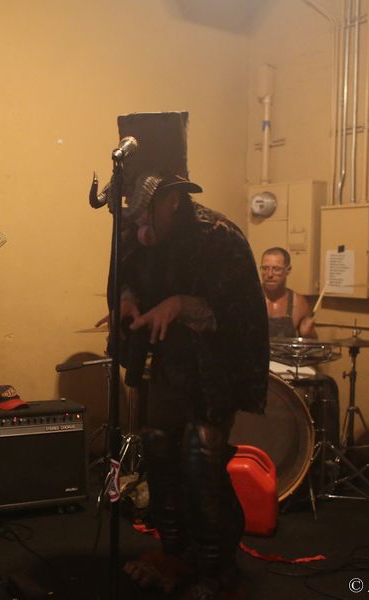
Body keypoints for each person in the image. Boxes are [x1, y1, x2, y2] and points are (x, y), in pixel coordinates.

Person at [98, 112, 269, 599]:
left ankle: (215, 568)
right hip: (167, 367)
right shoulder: (136, 234)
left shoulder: (219, 237)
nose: (138, 226)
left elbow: (237, 317)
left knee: (200, 459)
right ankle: (174, 554)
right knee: (158, 454)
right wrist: (127, 298)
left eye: (145, 214)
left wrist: (179, 305)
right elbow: (126, 277)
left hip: (213, 371)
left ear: (172, 200)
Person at [260, 246, 316, 339]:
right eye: (265, 268)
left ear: (288, 270)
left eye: (276, 269)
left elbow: (312, 343)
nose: (269, 274)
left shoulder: (298, 303)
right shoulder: (249, 298)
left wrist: (308, 334)